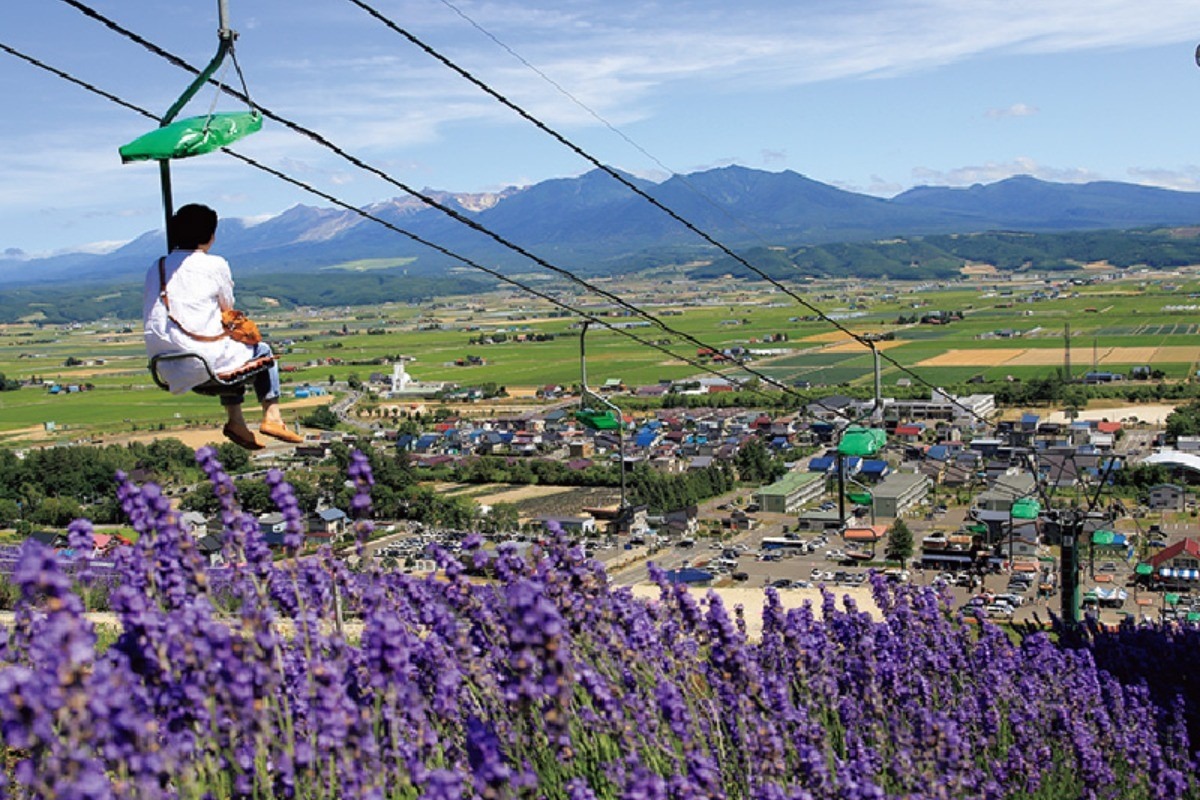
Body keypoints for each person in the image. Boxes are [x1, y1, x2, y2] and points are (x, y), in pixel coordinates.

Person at [143, 203, 302, 450]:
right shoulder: (215, 264)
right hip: (202, 362)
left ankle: (236, 421)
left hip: (164, 364)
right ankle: (272, 416)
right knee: (261, 350)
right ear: (211, 236)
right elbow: (227, 307)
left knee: (228, 351)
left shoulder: (158, 266)